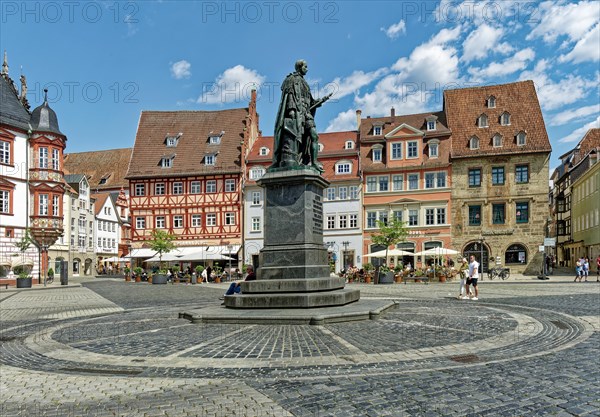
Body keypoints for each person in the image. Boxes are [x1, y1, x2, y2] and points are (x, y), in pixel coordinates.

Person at [271, 60, 331, 172]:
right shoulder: (292, 79)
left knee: (314, 136)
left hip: (307, 113)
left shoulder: (305, 83)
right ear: (300, 67)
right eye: (305, 67)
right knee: (298, 138)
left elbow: (309, 101)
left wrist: (318, 102)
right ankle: (295, 160)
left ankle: (313, 163)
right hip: (297, 113)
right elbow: (290, 96)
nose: (307, 69)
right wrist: (291, 110)